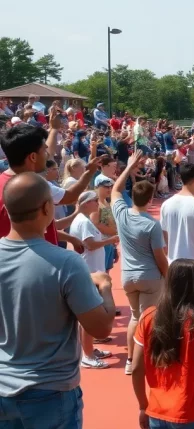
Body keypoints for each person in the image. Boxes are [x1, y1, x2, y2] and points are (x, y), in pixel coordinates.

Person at [0, 173, 115, 426]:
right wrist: (105, 286)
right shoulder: (66, 263)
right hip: (51, 392)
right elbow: (101, 327)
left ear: (6, 210)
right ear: (46, 208)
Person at [132, 259, 194, 429]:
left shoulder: (148, 316)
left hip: (157, 411)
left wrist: (142, 405)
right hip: (191, 412)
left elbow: (137, 368)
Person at [0, 119, 103, 247]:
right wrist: (89, 173)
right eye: (44, 151)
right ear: (33, 157)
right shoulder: (34, 186)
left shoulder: (4, 182)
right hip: (39, 261)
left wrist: (69, 238)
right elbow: (70, 196)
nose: (47, 155)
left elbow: (40, 229)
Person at [111, 151, 168, 376]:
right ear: (151, 199)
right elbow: (159, 256)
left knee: (135, 318)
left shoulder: (122, 214)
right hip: (150, 277)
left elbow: (115, 190)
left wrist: (128, 168)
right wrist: (169, 276)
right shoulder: (152, 225)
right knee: (150, 320)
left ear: (132, 197)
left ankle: (130, 359)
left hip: (127, 277)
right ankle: (146, 361)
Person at [70, 190, 121, 369]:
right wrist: (111, 240)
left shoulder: (84, 220)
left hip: (92, 272)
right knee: (88, 318)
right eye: (93, 201)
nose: (97, 204)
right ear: (85, 204)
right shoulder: (83, 222)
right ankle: (88, 355)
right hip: (89, 274)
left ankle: (90, 349)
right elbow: (89, 245)